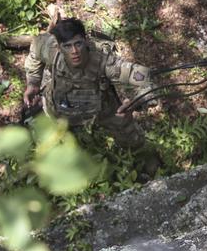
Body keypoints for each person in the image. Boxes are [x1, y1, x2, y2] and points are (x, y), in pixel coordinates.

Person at [22, 17, 159, 162]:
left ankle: (145, 162)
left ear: (85, 40)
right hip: (60, 105)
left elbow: (144, 81)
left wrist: (133, 103)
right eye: (67, 46)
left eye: (78, 44)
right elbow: (34, 52)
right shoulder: (50, 49)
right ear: (58, 46)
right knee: (48, 141)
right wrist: (33, 83)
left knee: (130, 135)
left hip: (101, 109)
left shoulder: (104, 61)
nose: (74, 51)